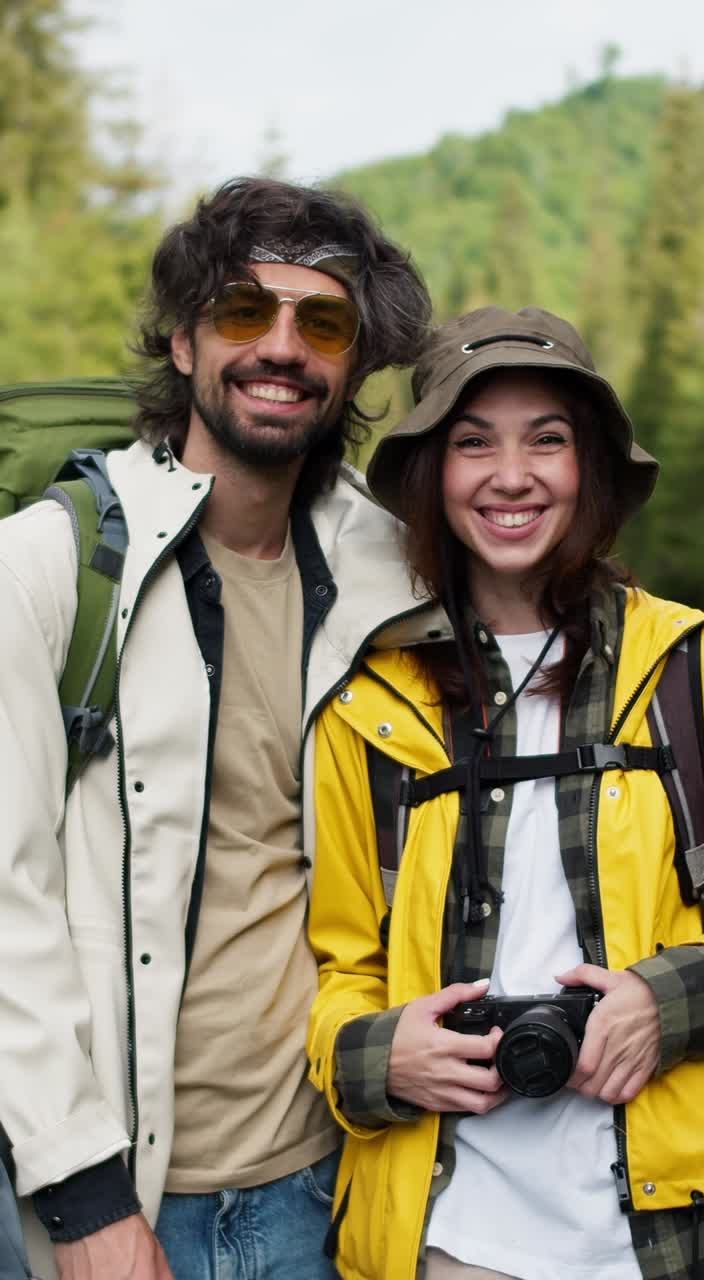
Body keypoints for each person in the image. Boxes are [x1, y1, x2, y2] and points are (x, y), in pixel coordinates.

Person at [0, 176, 437, 1280]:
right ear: (187, 341)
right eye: (246, 311)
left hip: (323, 1184)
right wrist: (80, 1194)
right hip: (111, 1199)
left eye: (322, 320)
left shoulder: (397, 580)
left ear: (357, 362)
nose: (282, 345)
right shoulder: (49, 565)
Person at [306, 306, 704, 1280]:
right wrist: (381, 1057)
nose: (511, 474)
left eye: (549, 439)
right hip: (444, 1239)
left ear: (594, 469)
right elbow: (340, 972)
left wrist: (673, 1000)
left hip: (668, 1237)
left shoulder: (694, 673)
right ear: (429, 476)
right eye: (472, 442)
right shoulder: (367, 708)